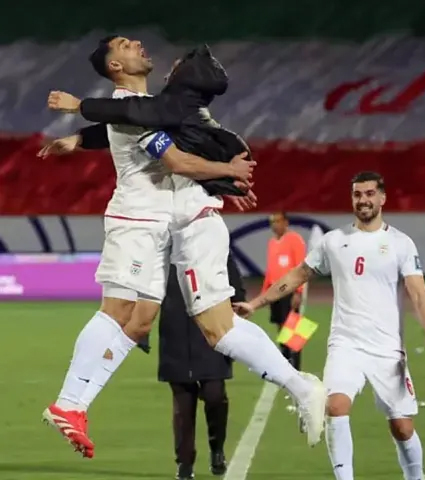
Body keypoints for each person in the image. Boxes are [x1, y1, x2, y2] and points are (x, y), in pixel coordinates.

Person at [41, 37, 326, 457]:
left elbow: (140, 129)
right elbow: (161, 148)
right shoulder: (139, 108)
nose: (138, 44)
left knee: (150, 320)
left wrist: (80, 133)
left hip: (163, 226)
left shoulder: (150, 107)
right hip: (143, 224)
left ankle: (73, 406)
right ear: (115, 65)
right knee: (130, 315)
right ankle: (71, 405)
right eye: (126, 45)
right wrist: (226, 172)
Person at [234, 171, 425, 480]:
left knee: (401, 426)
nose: (363, 200)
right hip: (345, 344)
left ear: (382, 198)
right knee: (336, 407)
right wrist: (255, 303)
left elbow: (418, 291)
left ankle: (416, 476)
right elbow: (297, 275)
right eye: (358, 194)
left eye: (369, 194)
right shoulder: (334, 241)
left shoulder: (400, 243)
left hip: (386, 349)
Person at [157, 252, 245, 480]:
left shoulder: (214, 244)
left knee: (215, 395)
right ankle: (184, 463)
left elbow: (234, 283)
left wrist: (237, 310)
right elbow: (146, 290)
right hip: (175, 335)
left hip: (211, 332)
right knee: (183, 405)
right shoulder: (162, 249)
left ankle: (217, 448)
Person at [263, 212, 306, 369]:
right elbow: (270, 270)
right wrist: (265, 292)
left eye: (277, 221)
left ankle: (296, 368)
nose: (274, 225)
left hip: (290, 291)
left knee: (293, 331)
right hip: (276, 292)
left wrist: (298, 292)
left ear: (285, 222)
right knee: (281, 328)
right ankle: (285, 363)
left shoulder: (295, 239)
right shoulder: (272, 242)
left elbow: (301, 267)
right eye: (272, 222)